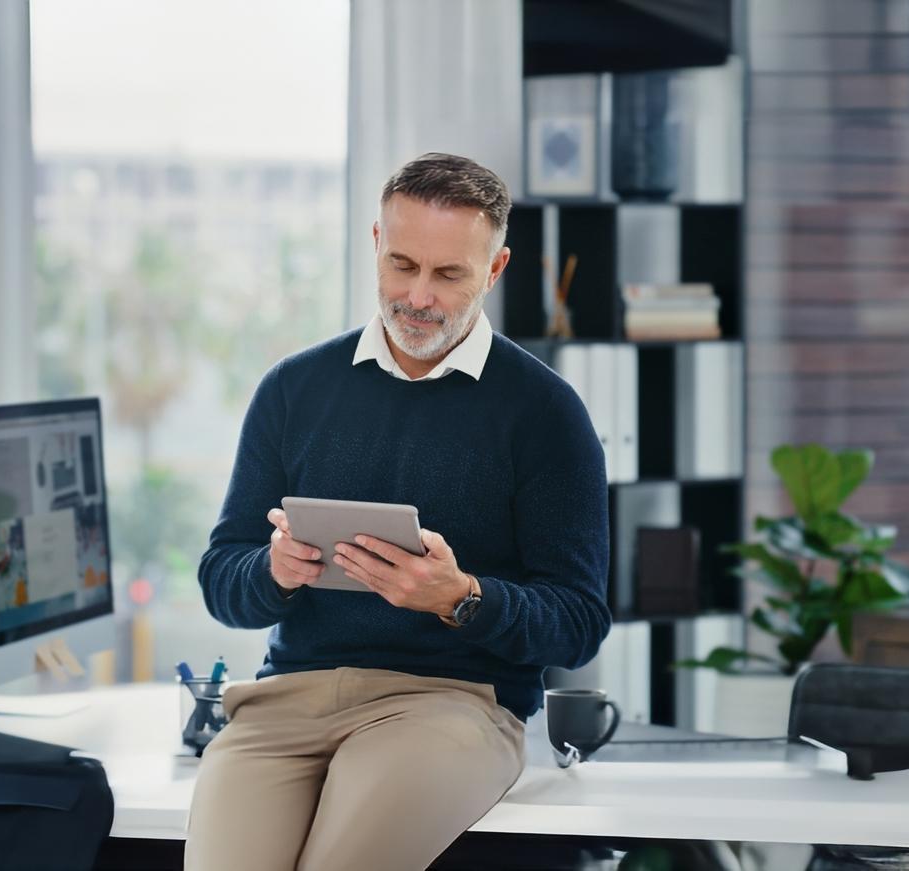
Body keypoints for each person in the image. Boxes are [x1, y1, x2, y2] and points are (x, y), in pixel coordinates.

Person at [183, 152, 611, 870]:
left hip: (456, 704)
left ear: (495, 268)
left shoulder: (544, 413)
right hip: (289, 701)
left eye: (449, 275)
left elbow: (578, 623)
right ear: (376, 244)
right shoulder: (293, 389)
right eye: (403, 264)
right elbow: (222, 578)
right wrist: (276, 571)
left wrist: (462, 598)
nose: (418, 295)